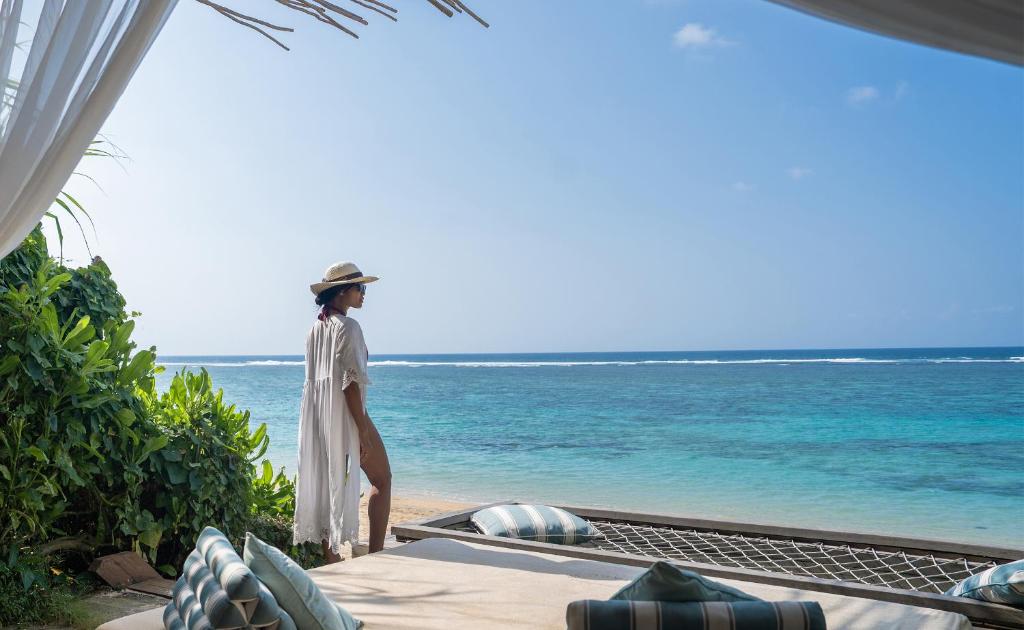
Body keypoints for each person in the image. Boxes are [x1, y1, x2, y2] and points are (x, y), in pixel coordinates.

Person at [293, 262, 392, 561]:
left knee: (328, 485)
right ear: (341, 292)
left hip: (319, 418)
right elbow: (349, 385)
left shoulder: (314, 330)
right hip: (348, 413)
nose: (363, 294)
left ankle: (332, 560)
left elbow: (319, 383)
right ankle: (376, 556)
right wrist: (362, 431)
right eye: (359, 287)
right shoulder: (348, 327)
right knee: (382, 479)